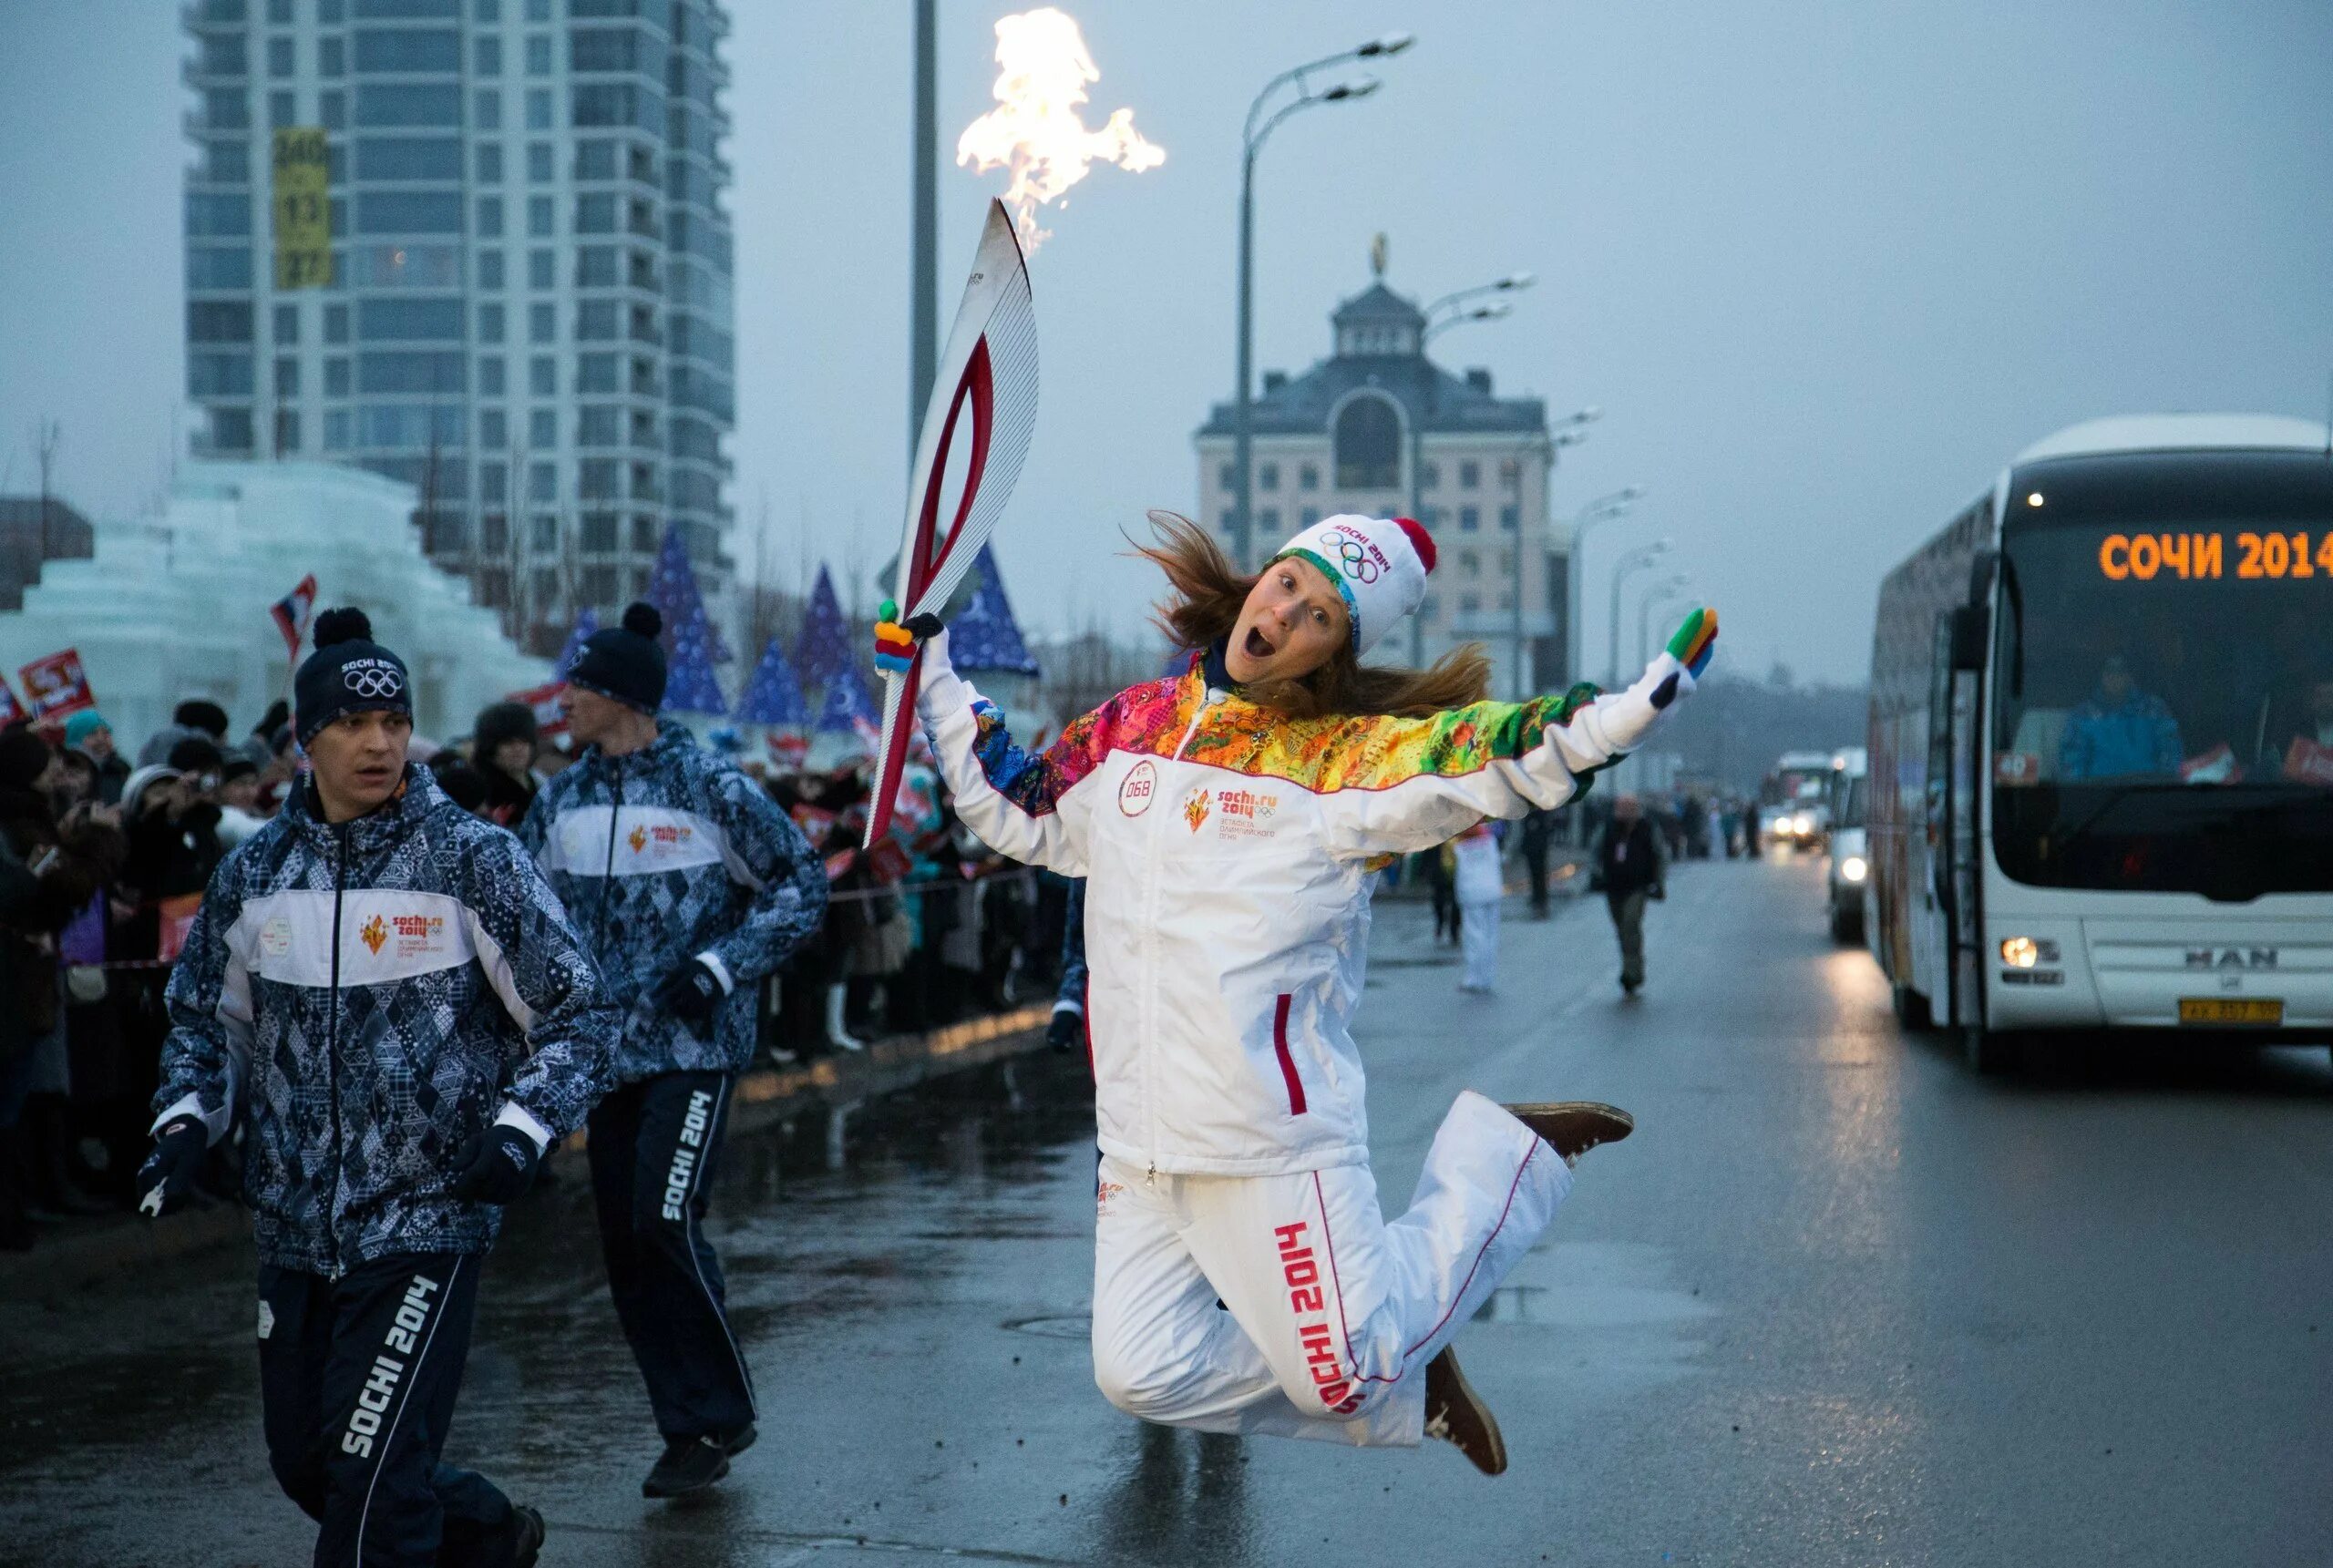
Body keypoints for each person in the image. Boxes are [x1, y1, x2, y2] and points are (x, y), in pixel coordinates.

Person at [890, 512, 1715, 1474]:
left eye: (1319, 614)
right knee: (1140, 1371)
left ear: (1333, 650)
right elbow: (1022, 808)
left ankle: (1509, 1157)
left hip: (1267, 1138)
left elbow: (1477, 754)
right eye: (1288, 583)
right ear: (1258, 580)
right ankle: (1405, 1379)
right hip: (1140, 1138)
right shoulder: (1131, 725)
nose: (1285, 614)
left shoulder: (1340, 764)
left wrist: (1610, 720)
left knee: (1347, 1368)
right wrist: (932, 672)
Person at [138, 608, 613, 1568]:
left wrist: (522, 1125)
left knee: (367, 1487)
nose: (378, 742)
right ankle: (485, 1535)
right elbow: (204, 1021)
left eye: (394, 721)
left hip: (426, 1214)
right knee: (309, 1463)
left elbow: (580, 1015)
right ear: (306, 736)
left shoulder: (471, 858)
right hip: (293, 1221)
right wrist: (189, 1115)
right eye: (353, 724)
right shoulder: (255, 872)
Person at [519, 602, 829, 1500]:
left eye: (577, 685)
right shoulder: (560, 799)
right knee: (626, 1239)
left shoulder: (710, 786)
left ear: (621, 695)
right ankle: (685, 1426)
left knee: (662, 1214)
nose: (563, 699)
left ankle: (722, 1406)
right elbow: (523, 921)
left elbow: (801, 883)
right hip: (602, 1054)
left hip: (694, 1046)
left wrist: (721, 966)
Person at [2059, 653, 2183, 780]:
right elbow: (2071, 765)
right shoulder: (2082, 716)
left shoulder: (2154, 710)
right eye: (2109, 671)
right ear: (2101, 676)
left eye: (2120, 671)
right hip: (2100, 796)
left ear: (2129, 675)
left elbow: (2171, 755)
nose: (2114, 678)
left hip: (2148, 794)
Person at [1590, 794, 1666, 997]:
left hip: (1638, 887)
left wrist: (1659, 883)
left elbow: (1660, 854)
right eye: (1622, 808)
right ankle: (1630, 965)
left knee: (1630, 924)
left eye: (1630, 808)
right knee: (1622, 929)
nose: (1625, 813)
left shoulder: (1647, 828)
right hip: (1613, 886)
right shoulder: (1608, 828)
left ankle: (1632, 972)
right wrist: (1596, 875)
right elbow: (1594, 851)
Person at [1451, 821, 1506, 994]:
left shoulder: (1460, 847)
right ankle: (1487, 977)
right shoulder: (1490, 841)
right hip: (1492, 891)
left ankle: (1473, 978)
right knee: (1491, 936)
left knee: (1475, 937)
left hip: (1472, 894)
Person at [471, 700, 541, 827]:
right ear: (490, 747)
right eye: (508, 743)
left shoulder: (542, 784)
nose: (518, 748)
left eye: (524, 740)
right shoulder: (481, 794)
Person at [63, 710, 129, 805]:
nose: (101, 739)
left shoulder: (120, 771)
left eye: (106, 733)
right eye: (92, 734)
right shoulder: (63, 776)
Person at [1517, 805, 1557, 919]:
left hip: (1539, 848)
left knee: (1539, 876)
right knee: (1535, 876)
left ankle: (1540, 900)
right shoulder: (1530, 812)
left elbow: (1544, 829)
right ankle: (1537, 898)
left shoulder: (1540, 813)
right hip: (1534, 848)